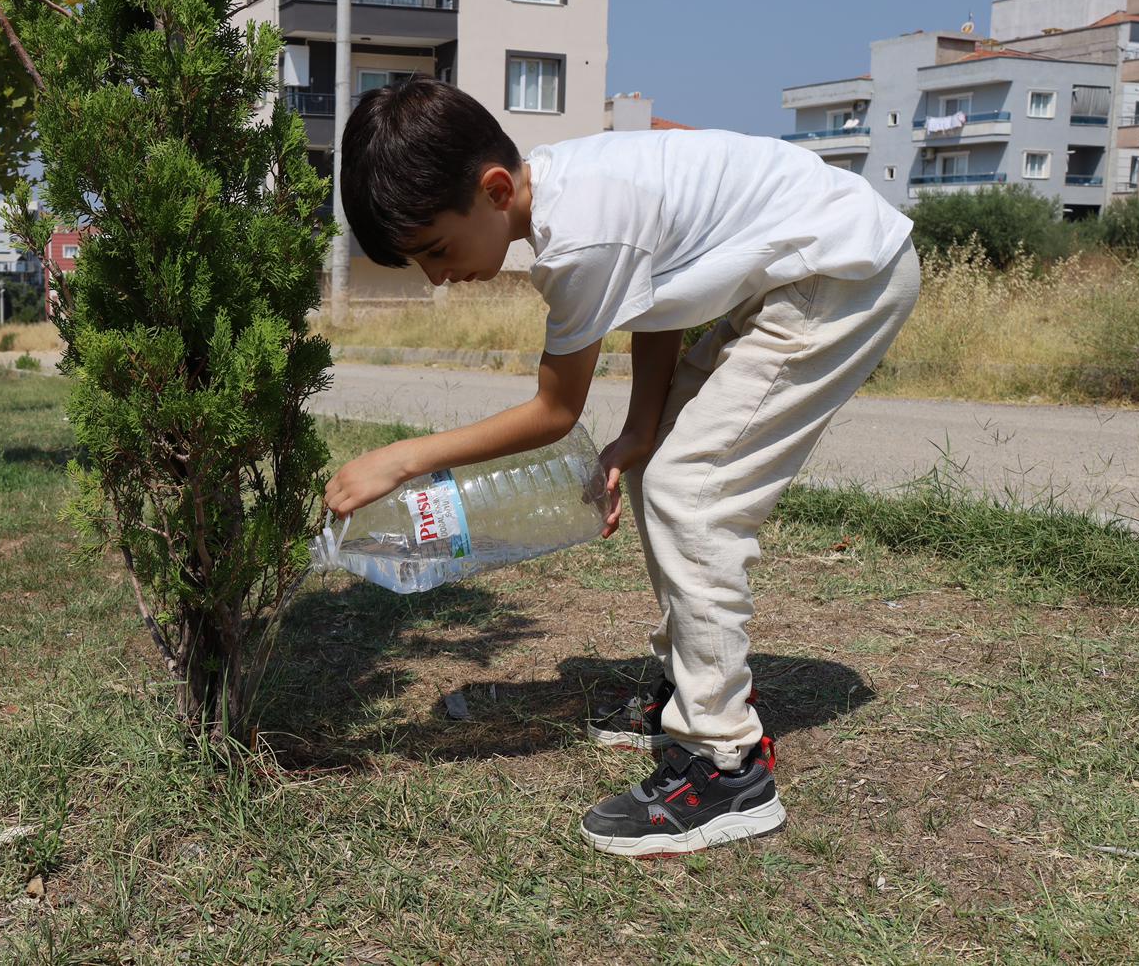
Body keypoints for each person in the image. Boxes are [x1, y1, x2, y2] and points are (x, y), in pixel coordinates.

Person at [324, 77, 918, 858]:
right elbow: (659, 301)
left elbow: (553, 412)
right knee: (660, 465)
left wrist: (401, 460)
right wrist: (641, 429)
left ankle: (725, 763)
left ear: (495, 190)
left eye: (435, 250)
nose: (437, 277)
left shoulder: (581, 236)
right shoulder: (570, 190)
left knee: (690, 490)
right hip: (805, 275)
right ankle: (686, 690)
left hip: (841, 279)